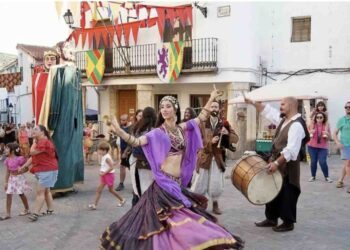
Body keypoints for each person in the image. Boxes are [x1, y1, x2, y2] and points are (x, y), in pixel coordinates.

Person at [100, 87, 244, 249]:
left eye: (168, 106)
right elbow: (136, 142)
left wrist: (210, 98)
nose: (164, 110)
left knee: (179, 221)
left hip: (177, 183)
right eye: (162, 107)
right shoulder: (157, 132)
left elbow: (201, 117)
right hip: (163, 184)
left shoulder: (182, 128)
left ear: (175, 108)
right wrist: (119, 131)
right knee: (170, 221)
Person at [246, 96, 309, 232]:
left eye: (283, 104)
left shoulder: (297, 124)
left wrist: (276, 163)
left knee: (287, 192)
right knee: (272, 189)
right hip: (276, 161)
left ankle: (288, 222)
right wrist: (252, 102)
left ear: (291, 106)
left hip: (288, 166)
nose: (280, 107)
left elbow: (291, 150)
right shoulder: (284, 120)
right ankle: (271, 218)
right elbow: (268, 111)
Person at [191, 100, 239, 214]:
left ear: (219, 109)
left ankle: (215, 204)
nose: (213, 109)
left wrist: (227, 133)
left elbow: (236, 138)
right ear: (209, 109)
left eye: (216, 107)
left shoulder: (224, 123)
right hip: (204, 157)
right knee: (200, 182)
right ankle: (199, 203)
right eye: (211, 107)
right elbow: (196, 141)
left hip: (217, 158)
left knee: (216, 183)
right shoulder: (202, 123)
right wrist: (210, 142)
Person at [19, 125, 59, 222]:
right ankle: (50, 209)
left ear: (42, 132)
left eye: (36, 129)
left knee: (40, 192)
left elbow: (32, 153)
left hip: (47, 170)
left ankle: (35, 213)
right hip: (45, 170)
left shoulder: (44, 142)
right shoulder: (41, 141)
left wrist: (33, 143)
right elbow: (33, 158)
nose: (33, 130)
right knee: (46, 191)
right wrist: (24, 166)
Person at [128, 107, 156, 206]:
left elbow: (132, 144)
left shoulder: (136, 128)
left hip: (135, 161)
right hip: (147, 163)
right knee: (147, 191)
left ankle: (136, 214)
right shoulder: (154, 131)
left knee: (137, 190)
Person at [88, 142, 126, 210]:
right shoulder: (105, 156)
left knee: (111, 190)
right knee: (99, 190)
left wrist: (103, 173)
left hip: (108, 176)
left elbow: (111, 167)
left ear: (104, 150)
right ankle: (94, 205)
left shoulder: (107, 157)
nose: (98, 151)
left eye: (99, 150)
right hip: (105, 175)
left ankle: (122, 199)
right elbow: (110, 165)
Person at [0, 143, 31, 220]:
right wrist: (6, 182)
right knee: (8, 194)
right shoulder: (7, 160)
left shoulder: (20, 159)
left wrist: (20, 172)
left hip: (19, 178)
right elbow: (7, 172)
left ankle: (27, 209)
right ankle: (8, 213)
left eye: (7, 148)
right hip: (11, 179)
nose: (5, 150)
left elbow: (27, 168)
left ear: (13, 150)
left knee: (21, 194)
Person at [307, 112, 332, 182]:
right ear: (315, 118)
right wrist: (310, 132)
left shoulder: (326, 126)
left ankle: (327, 176)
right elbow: (306, 134)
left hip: (323, 147)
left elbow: (329, 138)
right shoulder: (312, 125)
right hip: (312, 146)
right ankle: (313, 176)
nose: (319, 119)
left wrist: (327, 134)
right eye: (317, 117)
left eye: (321, 117)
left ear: (323, 118)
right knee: (313, 162)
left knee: (322, 162)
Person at [334, 101, 350, 193]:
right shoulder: (342, 120)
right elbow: (335, 133)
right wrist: (337, 142)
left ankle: (340, 180)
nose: (348, 108)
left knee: (347, 165)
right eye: (346, 107)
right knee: (348, 165)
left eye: (349, 107)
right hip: (345, 145)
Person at [115, 114, 130, 191]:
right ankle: (121, 184)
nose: (122, 121)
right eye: (121, 120)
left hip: (130, 150)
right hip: (123, 149)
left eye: (124, 120)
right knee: (122, 166)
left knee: (133, 168)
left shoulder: (131, 128)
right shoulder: (121, 127)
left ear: (127, 120)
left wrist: (126, 152)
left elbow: (130, 142)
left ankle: (136, 186)